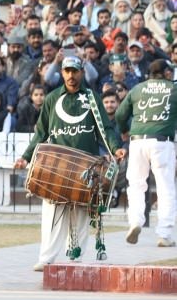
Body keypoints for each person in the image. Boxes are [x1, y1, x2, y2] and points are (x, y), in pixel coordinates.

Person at [15, 56, 125, 272]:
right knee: (52, 214)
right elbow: (41, 133)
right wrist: (26, 157)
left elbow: (106, 128)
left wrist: (115, 148)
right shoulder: (52, 98)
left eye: (75, 71)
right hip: (57, 166)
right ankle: (47, 258)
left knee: (83, 214)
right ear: (62, 73)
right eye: (67, 71)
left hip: (86, 166)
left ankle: (76, 259)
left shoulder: (92, 98)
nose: (71, 76)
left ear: (82, 72)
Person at [115, 59, 177, 248]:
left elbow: (119, 115)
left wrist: (125, 129)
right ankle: (164, 234)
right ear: (166, 73)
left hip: (137, 141)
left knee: (136, 185)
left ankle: (135, 222)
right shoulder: (174, 89)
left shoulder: (137, 89)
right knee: (165, 187)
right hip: (161, 141)